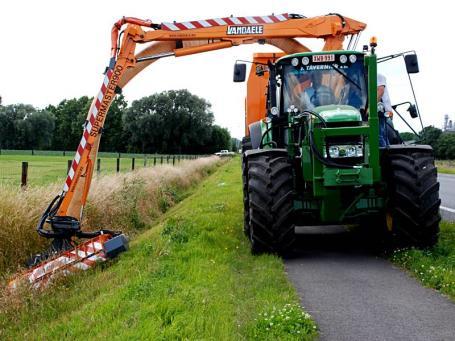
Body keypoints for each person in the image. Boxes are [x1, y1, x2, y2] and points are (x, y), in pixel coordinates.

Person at [377, 73, 393, 147]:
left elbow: (380, 91)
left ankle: (385, 156)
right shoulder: (360, 77)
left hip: (381, 111)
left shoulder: (377, 76)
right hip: (374, 110)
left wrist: (370, 107)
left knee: (378, 135)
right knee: (382, 135)